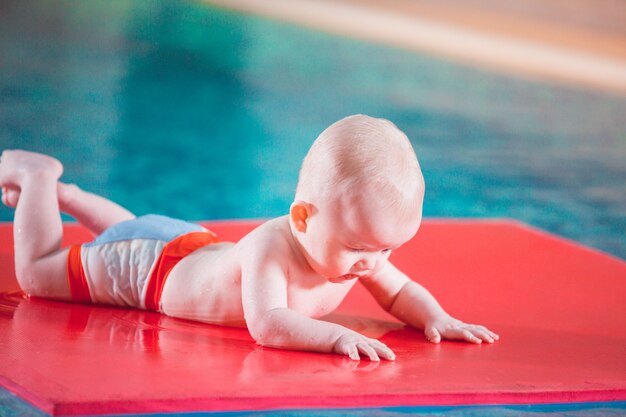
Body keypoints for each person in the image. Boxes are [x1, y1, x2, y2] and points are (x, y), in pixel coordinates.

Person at [0, 114, 498, 361]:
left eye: (387, 249)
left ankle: (70, 195)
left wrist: (437, 317)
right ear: (302, 218)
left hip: (188, 245)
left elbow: (400, 291)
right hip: (149, 274)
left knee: (128, 229)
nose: (373, 262)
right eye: (362, 248)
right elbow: (268, 325)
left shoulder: (355, 252)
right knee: (40, 272)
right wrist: (337, 337)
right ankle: (39, 177)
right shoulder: (271, 246)